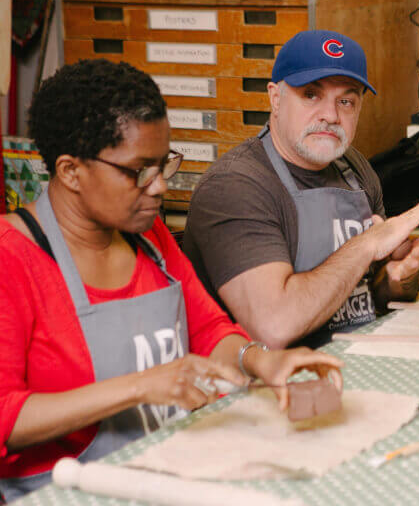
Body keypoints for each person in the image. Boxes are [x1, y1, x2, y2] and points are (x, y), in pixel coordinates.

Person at [0, 60, 343, 501]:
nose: (160, 186)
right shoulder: (13, 258)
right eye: (139, 171)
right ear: (70, 172)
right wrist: (142, 385)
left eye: (165, 164)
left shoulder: (149, 236)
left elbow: (207, 330)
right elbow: (6, 417)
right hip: (68, 490)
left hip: (161, 468)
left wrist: (261, 362)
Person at [183, 30, 419, 349]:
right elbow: (273, 325)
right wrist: (366, 245)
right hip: (270, 386)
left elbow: (371, 301)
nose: (331, 115)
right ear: (275, 98)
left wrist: (398, 279)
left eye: (346, 101)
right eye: (311, 95)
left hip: (357, 360)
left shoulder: (355, 168)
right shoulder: (236, 186)